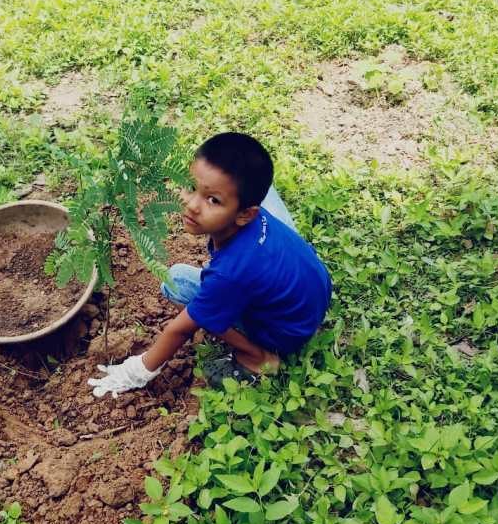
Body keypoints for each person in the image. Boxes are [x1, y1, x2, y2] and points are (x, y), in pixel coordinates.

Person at [88, 132, 332, 397]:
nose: (192, 206)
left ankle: (258, 356)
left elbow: (179, 329)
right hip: (311, 289)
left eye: (213, 200)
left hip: (287, 332)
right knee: (263, 192)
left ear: (244, 215)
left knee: (177, 280)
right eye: (192, 187)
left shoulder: (231, 273)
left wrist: (137, 371)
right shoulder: (253, 218)